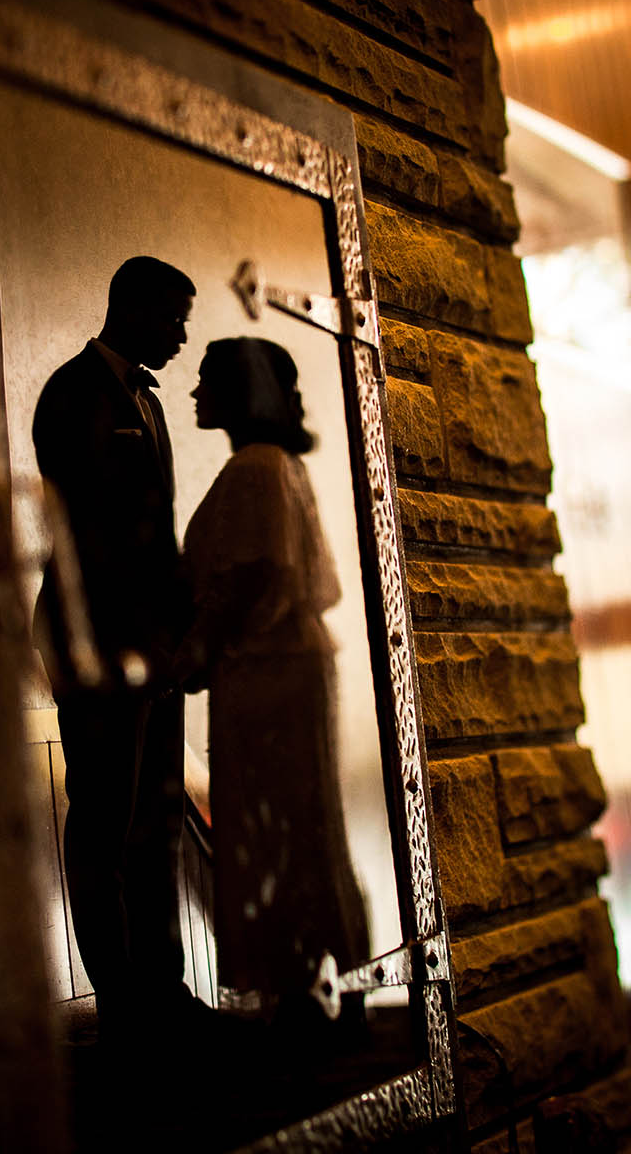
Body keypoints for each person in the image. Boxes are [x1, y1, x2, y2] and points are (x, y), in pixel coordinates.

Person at [176, 337, 369, 1025]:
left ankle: (300, 982)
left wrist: (196, 650)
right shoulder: (272, 464)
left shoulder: (256, 468)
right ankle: (317, 976)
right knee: (301, 822)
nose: (195, 393)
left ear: (242, 391)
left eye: (208, 381)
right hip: (283, 667)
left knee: (277, 825)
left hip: (268, 673)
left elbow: (258, 577)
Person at [31, 255, 196, 1040]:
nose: (183, 335)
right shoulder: (75, 395)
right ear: (129, 308)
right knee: (106, 819)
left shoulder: (148, 403)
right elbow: (90, 539)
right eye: (172, 318)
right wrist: (143, 639)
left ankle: (164, 989)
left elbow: (155, 537)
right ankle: (123, 1003)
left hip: (156, 647)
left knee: (156, 817)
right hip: (102, 644)